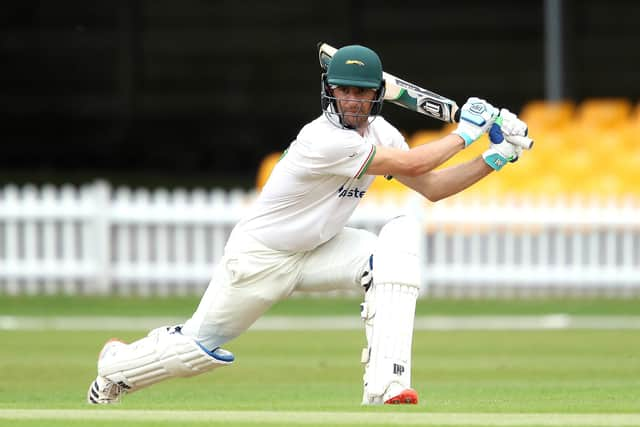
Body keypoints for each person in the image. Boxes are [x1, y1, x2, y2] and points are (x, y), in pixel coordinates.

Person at [87, 44, 530, 406]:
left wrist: (496, 157)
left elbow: (432, 185)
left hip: (319, 251)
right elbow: (416, 159)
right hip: (260, 258)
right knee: (198, 347)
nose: (352, 100)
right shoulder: (321, 140)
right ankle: (115, 368)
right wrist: (467, 131)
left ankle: (387, 387)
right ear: (330, 90)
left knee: (393, 250)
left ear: (377, 94)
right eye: (344, 91)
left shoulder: (382, 134)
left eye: (361, 92)